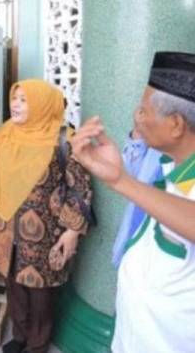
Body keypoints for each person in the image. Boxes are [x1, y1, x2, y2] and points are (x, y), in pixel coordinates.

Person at [70, 51, 195, 353]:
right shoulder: (171, 166)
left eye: (143, 110)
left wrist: (120, 181)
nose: (137, 117)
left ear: (176, 124)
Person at [0, 79, 92, 353]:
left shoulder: (64, 138)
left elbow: (81, 187)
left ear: (41, 104)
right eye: (15, 98)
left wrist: (73, 231)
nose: (15, 104)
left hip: (45, 236)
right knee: (14, 287)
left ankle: (37, 346)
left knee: (41, 295)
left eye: (24, 100)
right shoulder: (6, 133)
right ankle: (20, 337)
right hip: (7, 231)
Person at [111, 129, 162, 268]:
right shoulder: (163, 137)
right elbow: (132, 175)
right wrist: (138, 133)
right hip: (131, 246)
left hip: (164, 269)